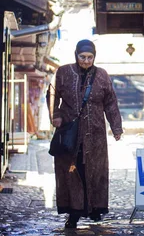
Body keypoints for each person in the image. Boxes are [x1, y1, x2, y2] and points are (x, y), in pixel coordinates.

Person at [47, 39, 123, 229]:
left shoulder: (103, 75)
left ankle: (95, 209)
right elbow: (52, 95)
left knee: (95, 170)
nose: (87, 61)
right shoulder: (63, 72)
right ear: (76, 55)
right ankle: (73, 213)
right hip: (69, 133)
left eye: (90, 57)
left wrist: (116, 128)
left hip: (95, 134)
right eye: (83, 57)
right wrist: (56, 116)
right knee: (72, 171)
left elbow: (111, 102)